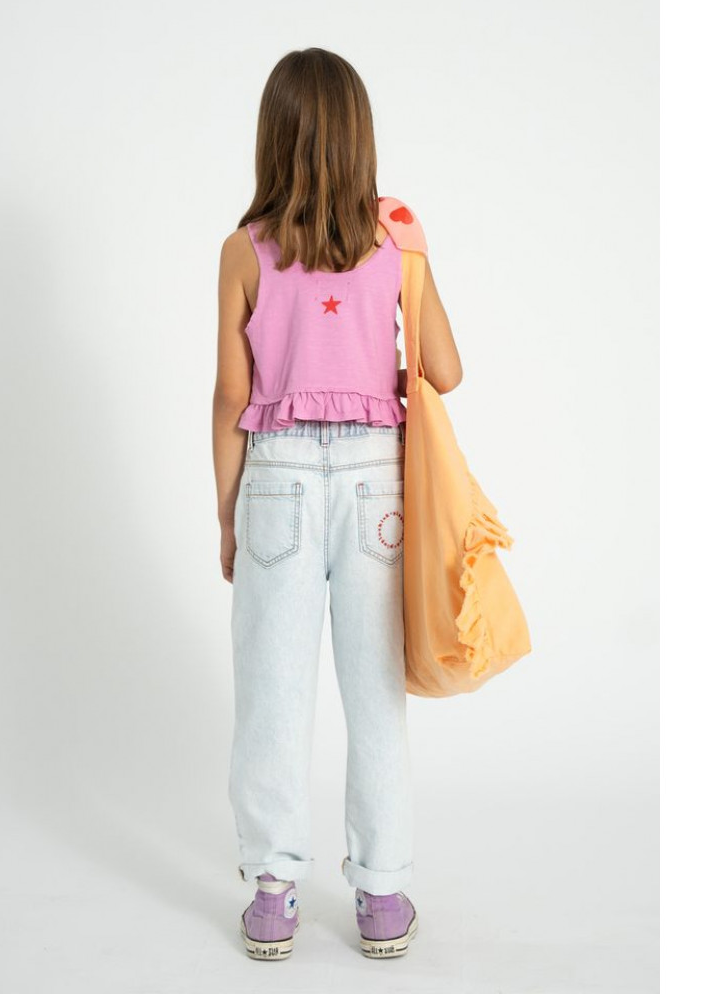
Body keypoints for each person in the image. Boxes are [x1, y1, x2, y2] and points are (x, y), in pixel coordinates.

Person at [211, 47, 462, 961]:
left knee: (271, 696)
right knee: (375, 694)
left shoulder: (243, 249)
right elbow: (446, 370)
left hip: (275, 480)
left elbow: (230, 395)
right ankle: (383, 894)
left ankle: (273, 893)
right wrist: (414, 262)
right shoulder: (395, 242)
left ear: (272, 138)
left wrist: (228, 514)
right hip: (374, 485)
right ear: (361, 137)